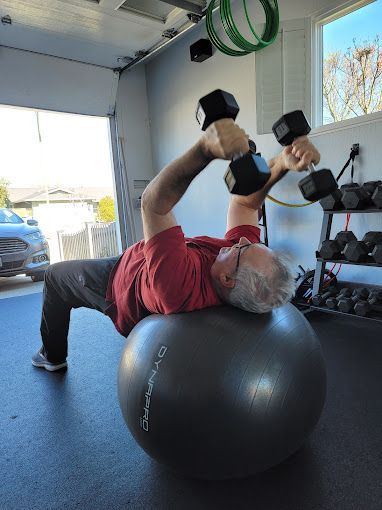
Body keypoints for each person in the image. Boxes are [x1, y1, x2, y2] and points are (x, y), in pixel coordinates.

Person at [32, 118, 320, 371]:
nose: (242, 240)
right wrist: (282, 163)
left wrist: (204, 150)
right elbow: (244, 203)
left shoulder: (177, 285)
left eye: (243, 248)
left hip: (117, 282)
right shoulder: (237, 267)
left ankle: (52, 356)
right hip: (141, 258)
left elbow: (153, 204)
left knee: (55, 276)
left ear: (227, 279)